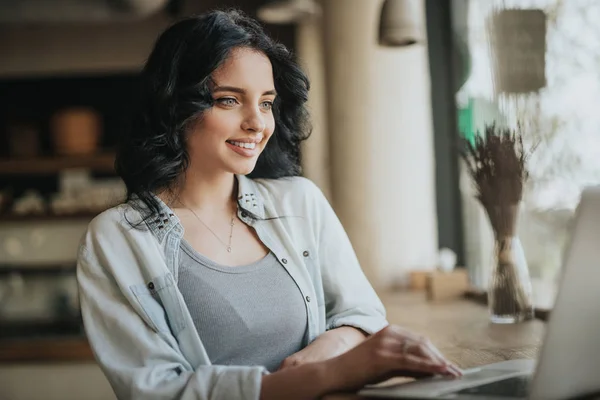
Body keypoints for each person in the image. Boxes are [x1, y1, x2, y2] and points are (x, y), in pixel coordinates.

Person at [76, 9, 461, 400]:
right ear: (176, 107)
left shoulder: (300, 202)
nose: (257, 123)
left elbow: (361, 315)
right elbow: (158, 392)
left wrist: (323, 354)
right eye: (229, 100)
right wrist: (329, 375)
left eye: (266, 103)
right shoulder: (118, 237)